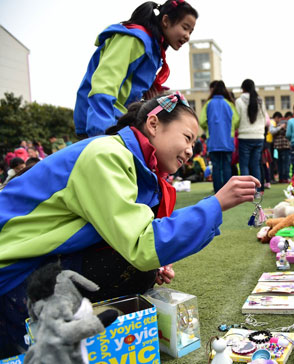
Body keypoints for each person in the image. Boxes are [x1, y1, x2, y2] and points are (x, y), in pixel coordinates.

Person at [0, 92, 259, 357]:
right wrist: (216, 204)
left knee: (138, 269)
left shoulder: (137, 168)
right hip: (13, 273)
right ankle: (32, 325)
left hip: (38, 263)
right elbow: (142, 245)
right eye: (187, 137)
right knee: (135, 265)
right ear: (154, 124)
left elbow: (125, 237)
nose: (192, 150)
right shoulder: (106, 154)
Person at [74, 0, 198, 137]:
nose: (187, 36)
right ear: (166, 20)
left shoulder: (153, 49)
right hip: (102, 124)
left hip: (117, 122)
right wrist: (102, 134)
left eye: (191, 32)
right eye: (185, 27)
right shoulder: (134, 39)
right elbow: (104, 84)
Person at [199, 80, 239, 192]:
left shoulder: (208, 104)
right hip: (227, 139)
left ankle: (218, 191)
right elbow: (236, 121)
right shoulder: (229, 104)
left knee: (216, 166)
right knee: (226, 165)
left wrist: (210, 127)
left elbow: (202, 121)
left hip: (213, 140)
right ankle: (227, 191)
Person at [236, 79, 269, 186]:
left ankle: (246, 190)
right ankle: (258, 190)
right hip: (259, 136)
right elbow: (265, 119)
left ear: (242, 88)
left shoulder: (239, 101)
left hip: (244, 136)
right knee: (255, 165)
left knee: (244, 165)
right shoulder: (260, 101)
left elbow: (237, 119)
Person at [270, 111, 292, 183]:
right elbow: (288, 134)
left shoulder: (277, 124)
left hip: (279, 146)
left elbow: (274, 133)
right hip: (285, 146)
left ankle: (282, 178)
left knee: (280, 163)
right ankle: (284, 178)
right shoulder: (286, 124)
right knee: (285, 163)